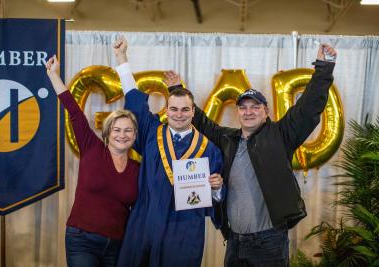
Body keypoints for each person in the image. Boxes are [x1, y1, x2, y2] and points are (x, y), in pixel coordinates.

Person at [164, 44, 337, 267]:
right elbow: (202, 123)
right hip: (235, 241)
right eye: (243, 107)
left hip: (269, 242)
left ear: (266, 112)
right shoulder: (229, 138)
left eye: (255, 107)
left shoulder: (280, 135)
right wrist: (176, 89)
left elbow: (309, 107)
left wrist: (324, 67)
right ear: (238, 113)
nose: (249, 112)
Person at [113, 36, 225, 267]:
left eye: (185, 109)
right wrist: (122, 58)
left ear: (193, 111)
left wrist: (217, 189)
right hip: (146, 221)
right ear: (167, 109)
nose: (179, 114)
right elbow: (134, 100)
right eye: (173, 109)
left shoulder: (209, 149)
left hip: (183, 228)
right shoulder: (152, 133)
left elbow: (216, 199)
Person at [46, 55, 140, 267]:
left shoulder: (138, 169)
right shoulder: (92, 147)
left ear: (135, 136)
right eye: (116, 130)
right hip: (82, 240)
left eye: (128, 131)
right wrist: (53, 75)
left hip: (117, 246)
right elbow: (73, 111)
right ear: (107, 133)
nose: (122, 135)